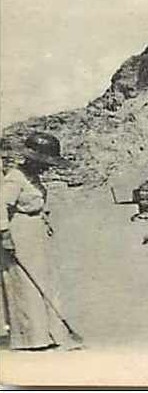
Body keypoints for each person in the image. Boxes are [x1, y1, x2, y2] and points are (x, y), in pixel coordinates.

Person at [1, 133, 74, 350]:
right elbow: (1, 205)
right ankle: (31, 337)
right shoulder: (15, 177)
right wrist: (4, 235)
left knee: (44, 281)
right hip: (19, 234)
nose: (47, 168)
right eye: (44, 163)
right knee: (25, 283)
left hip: (35, 233)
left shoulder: (32, 177)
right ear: (33, 159)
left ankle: (50, 333)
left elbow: (37, 203)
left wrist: (45, 219)